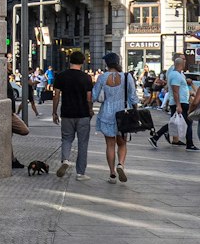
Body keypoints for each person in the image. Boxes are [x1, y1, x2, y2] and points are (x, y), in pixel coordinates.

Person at [92, 51, 139, 185]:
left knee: (110, 144)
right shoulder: (126, 76)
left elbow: (95, 96)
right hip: (123, 113)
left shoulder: (102, 77)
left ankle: (112, 173)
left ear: (107, 63)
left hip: (107, 112)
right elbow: (133, 96)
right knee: (122, 142)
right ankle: (121, 165)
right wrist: (135, 110)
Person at [52, 50, 94, 180]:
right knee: (83, 143)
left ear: (69, 61)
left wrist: (54, 112)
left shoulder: (61, 76)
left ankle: (65, 160)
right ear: (82, 62)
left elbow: (56, 95)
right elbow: (89, 98)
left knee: (66, 139)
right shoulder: (86, 77)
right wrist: (90, 110)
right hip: (82, 114)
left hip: (67, 113)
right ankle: (80, 173)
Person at [149, 54, 196, 151]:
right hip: (180, 103)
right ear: (181, 64)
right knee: (183, 122)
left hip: (180, 102)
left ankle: (156, 137)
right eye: (184, 61)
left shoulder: (178, 74)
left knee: (177, 122)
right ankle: (189, 144)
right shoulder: (175, 75)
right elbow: (175, 91)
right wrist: (178, 105)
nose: (185, 63)